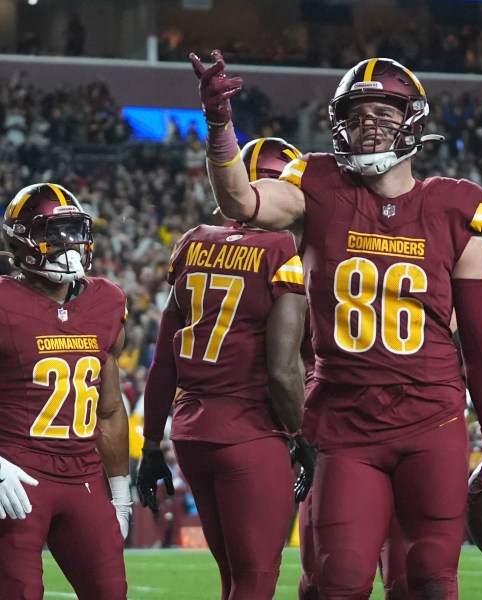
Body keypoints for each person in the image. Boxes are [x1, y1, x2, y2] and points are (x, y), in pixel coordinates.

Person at [189, 50, 482, 599]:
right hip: (346, 420)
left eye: (383, 112)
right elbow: (240, 197)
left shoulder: (457, 208)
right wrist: (219, 124)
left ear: (413, 120)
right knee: (340, 578)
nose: (368, 125)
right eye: (356, 114)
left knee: (427, 580)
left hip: (432, 421)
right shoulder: (319, 183)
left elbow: (479, 338)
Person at [136, 137, 315, 600]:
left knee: (233, 579)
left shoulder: (192, 243)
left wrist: (152, 443)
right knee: (255, 580)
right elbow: (282, 371)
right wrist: (301, 435)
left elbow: (163, 362)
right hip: (250, 433)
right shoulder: (280, 251)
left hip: (191, 434)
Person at [0, 183, 130, 599]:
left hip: (84, 476)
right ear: (22, 241)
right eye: (53, 234)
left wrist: (122, 493)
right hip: (17, 475)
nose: (69, 244)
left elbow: (109, 411)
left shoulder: (106, 301)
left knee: (111, 592)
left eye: (74, 231)